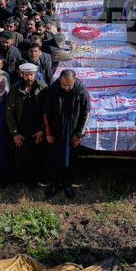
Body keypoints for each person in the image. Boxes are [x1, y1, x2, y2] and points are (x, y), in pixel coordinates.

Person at [43, 69, 90, 198]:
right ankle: (54, 184)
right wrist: (48, 133)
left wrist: (79, 134)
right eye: (63, 84)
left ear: (74, 80)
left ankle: (67, 184)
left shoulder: (81, 89)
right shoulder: (53, 89)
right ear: (60, 80)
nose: (65, 87)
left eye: (68, 85)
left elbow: (86, 113)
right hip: (57, 131)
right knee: (54, 159)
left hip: (72, 131)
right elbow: (46, 113)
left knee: (71, 159)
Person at [6, 62, 48, 191]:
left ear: (35, 74)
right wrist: (15, 133)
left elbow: (46, 111)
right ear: (22, 74)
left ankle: (33, 182)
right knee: (18, 157)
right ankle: (18, 181)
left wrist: (42, 130)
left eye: (31, 74)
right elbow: (9, 111)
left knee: (35, 157)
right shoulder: (15, 89)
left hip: (36, 130)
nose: (29, 77)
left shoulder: (43, 87)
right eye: (26, 74)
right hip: (20, 129)